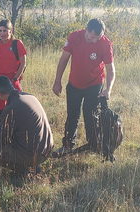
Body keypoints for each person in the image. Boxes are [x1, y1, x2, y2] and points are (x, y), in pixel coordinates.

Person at [52, 18, 116, 157]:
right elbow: (64, 60)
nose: (95, 41)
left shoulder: (105, 43)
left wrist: (108, 89)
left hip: (94, 84)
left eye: (98, 38)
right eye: (92, 37)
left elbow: (110, 70)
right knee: (72, 115)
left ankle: (93, 146)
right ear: (86, 30)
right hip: (75, 83)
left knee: (91, 115)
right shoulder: (74, 37)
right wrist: (57, 81)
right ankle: (68, 146)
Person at [0, 76, 53, 175]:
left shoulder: (11, 108)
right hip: (47, 148)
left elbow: (1, 139)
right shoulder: (29, 97)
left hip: (33, 155)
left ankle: (26, 170)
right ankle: (30, 165)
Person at [0, 19, 27, 126]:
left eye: (5, 31)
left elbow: (23, 63)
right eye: (0, 31)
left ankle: (16, 133)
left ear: (11, 31)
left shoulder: (17, 43)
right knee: (0, 111)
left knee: (16, 109)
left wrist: (15, 78)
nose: (2, 34)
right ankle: (1, 134)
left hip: (12, 81)